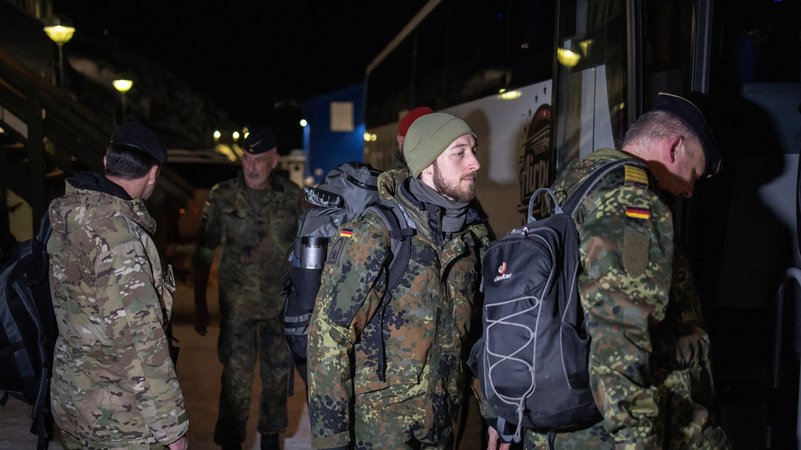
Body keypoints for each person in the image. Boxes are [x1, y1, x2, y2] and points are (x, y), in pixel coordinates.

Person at [487, 92, 729, 449]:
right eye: (694, 172)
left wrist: (507, 414)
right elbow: (621, 333)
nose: (690, 190)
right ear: (674, 147)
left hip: (557, 424)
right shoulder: (631, 201)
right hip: (608, 431)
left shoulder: (574, 183)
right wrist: (635, 440)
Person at [306, 112, 492, 449]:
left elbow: (477, 335)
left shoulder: (468, 238)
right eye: (460, 152)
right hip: (382, 432)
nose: (475, 163)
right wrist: (331, 440)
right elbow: (329, 337)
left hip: (444, 425)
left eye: (474, 150)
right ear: (426, 165)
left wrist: (493, 412)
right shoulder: (379, 233)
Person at [46, 122, 189, 450]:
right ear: (152, 173)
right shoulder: (117, 237)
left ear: (106, 162)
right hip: (119, 417)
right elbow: (141, 339)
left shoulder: (68, 216)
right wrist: (171, 426)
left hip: (72, 398)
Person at [192, 126, 304, 450]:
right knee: (235, 383)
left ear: (274, 161)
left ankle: (270, 439)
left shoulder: (292, 197)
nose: (252, 166)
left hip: (278, 311)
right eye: (247, 158)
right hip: (237, 311)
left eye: (260, 159)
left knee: (276, 381)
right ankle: (231, 442)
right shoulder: (222, 196)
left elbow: (309, 250)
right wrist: (199, 304)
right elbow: (202, 252)